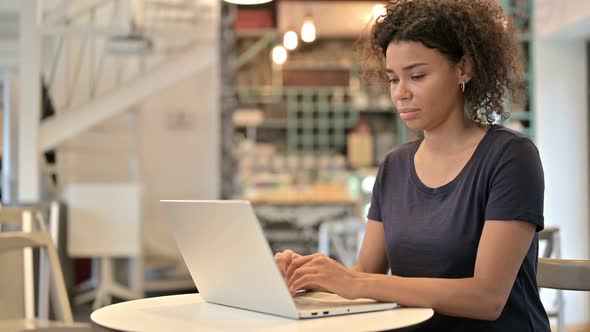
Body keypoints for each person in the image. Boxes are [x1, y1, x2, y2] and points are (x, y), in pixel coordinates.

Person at [274, 0, 551, 330]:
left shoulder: (510, 156)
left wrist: (354, 282)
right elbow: (367, 274)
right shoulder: (395, 165)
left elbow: (487, 297)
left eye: (417, 76)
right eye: (393, 79)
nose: (400, 93)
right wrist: (311, 275)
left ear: (464, 69)